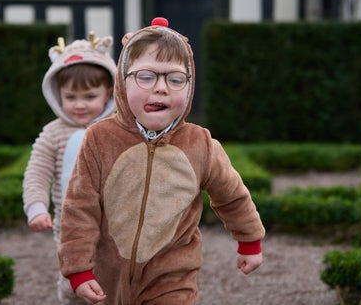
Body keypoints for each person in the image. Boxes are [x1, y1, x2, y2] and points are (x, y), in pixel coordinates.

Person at [58, 17, 266, 304]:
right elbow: (80, 207)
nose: (161, 87)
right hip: (108, 275)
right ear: (122, 81)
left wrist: (250, 240)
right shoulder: (99, 138)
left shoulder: (200, 144)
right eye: (146, 76)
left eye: (175, 78)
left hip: (172, 276)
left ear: (189, 85)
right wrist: (79, 268)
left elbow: (232, 195)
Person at [22, 32, 117, 305]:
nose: (79, 104)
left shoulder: (116, 129)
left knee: (115, 277)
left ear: (108, 93)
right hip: (69, 225)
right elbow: (36, 173)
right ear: (57, 94)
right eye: (70, 96)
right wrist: (36, 207)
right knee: (73, 277)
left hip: (115, 222)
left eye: (89, 96)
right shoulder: (53, 134)